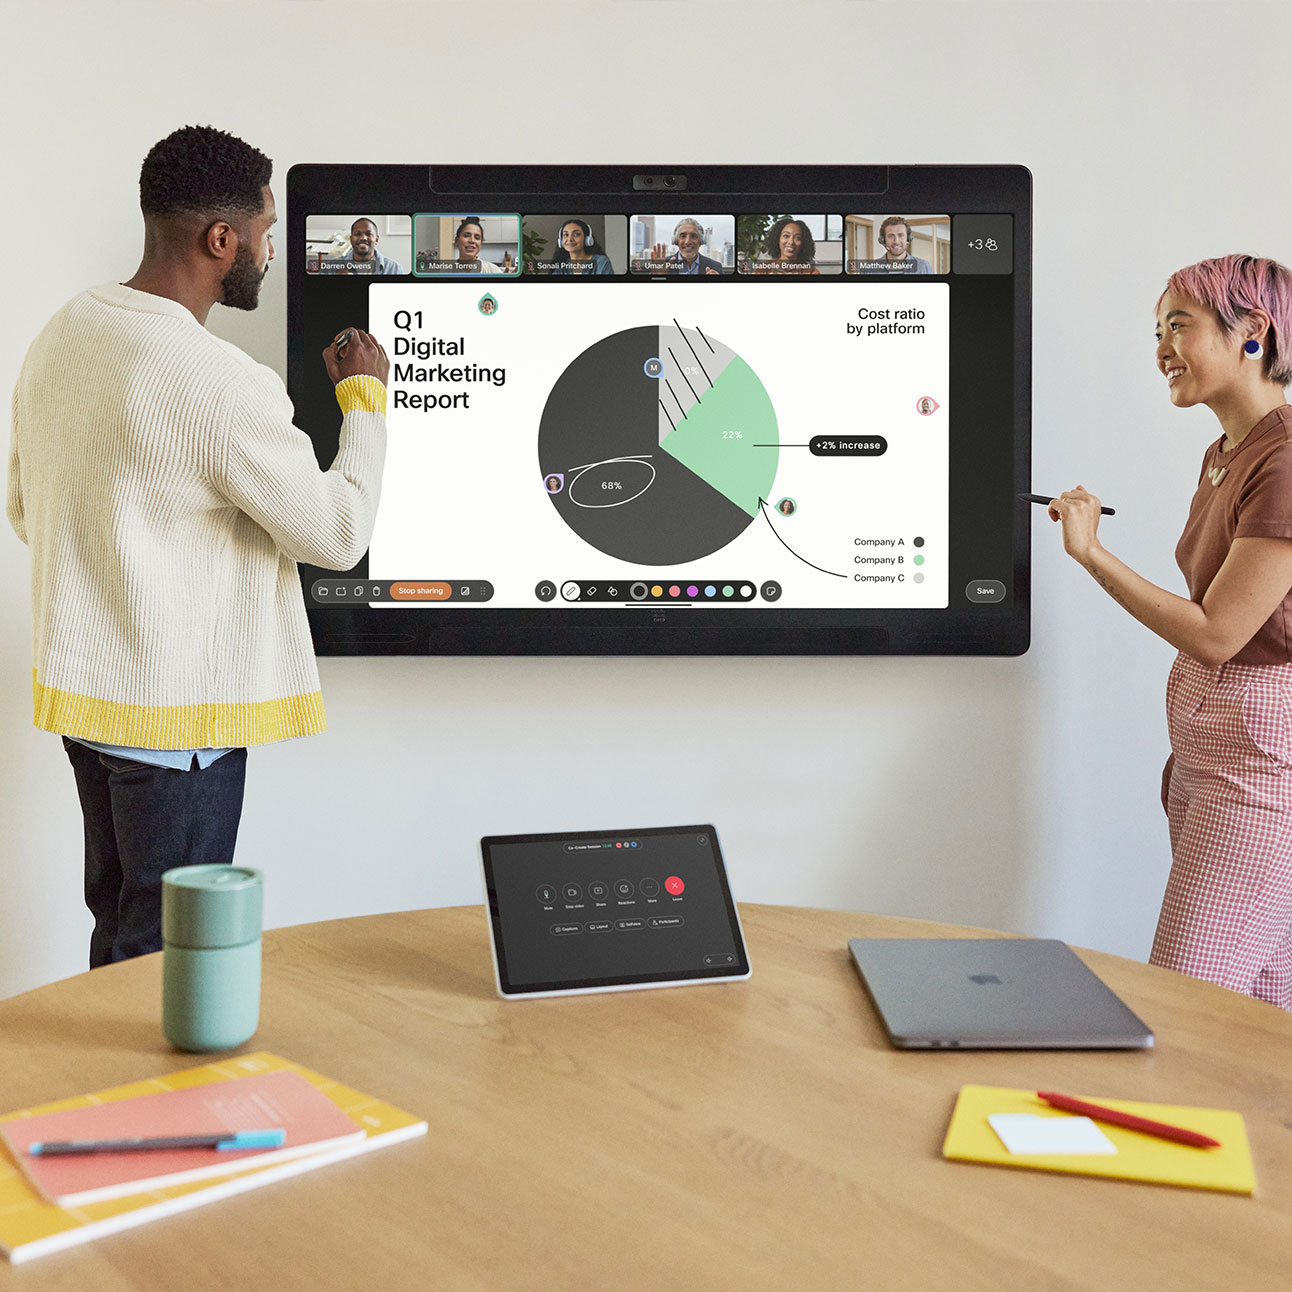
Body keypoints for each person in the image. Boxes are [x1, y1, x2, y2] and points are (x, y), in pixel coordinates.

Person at [6, 125, 390, 968]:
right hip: (178, 727)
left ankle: (110, 1101)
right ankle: (148, 1103)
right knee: (172, 957)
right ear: (223, 240)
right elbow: (338, 533)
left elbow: (30, 512)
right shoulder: (217, 382)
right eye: (266, 231)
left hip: (91, 708)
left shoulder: (63, 335)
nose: (269, 249)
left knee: (121, 931)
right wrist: (364, 402)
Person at [1048, 254, 1292, 1009]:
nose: (1160, 347)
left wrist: (1091, 554)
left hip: (1257, 765)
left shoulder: (1284, 460)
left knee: (1184, 1007)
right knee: (1257, 1010)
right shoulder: (1226, 454)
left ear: (1252, 331)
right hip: (1208, 746)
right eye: (1157, 329)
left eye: (1178, 325)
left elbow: (1219, 633)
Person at [651, 219, 722, 275]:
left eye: (694, 236)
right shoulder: (661, 265)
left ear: (701, 241)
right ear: (676, 241)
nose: (688, 242)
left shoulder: (715, 267)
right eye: (683, 236)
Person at [752, 217, 820, 275]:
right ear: (777, 239)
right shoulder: (763, 269)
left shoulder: (812, 272)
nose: (791, 242)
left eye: (798, 238)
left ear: (803, 243)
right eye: (786, 236)